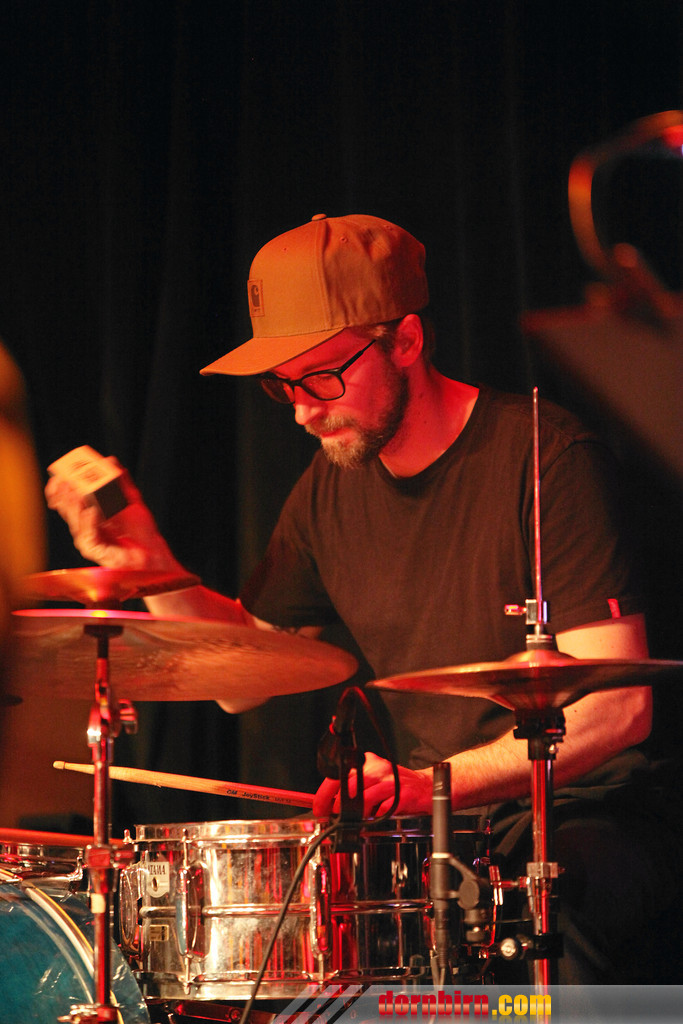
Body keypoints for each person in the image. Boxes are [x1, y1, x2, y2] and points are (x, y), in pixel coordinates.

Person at [46, 214, 676, 983]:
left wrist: (430, 786)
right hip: (435, 828)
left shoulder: (546, 456)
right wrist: (150, 563)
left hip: (583, 810)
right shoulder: (327, 489)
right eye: (283, 386)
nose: (303, 410)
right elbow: (241, 674)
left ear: (404, 340)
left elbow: (617, 707)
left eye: (321, 377)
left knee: (546, 904)